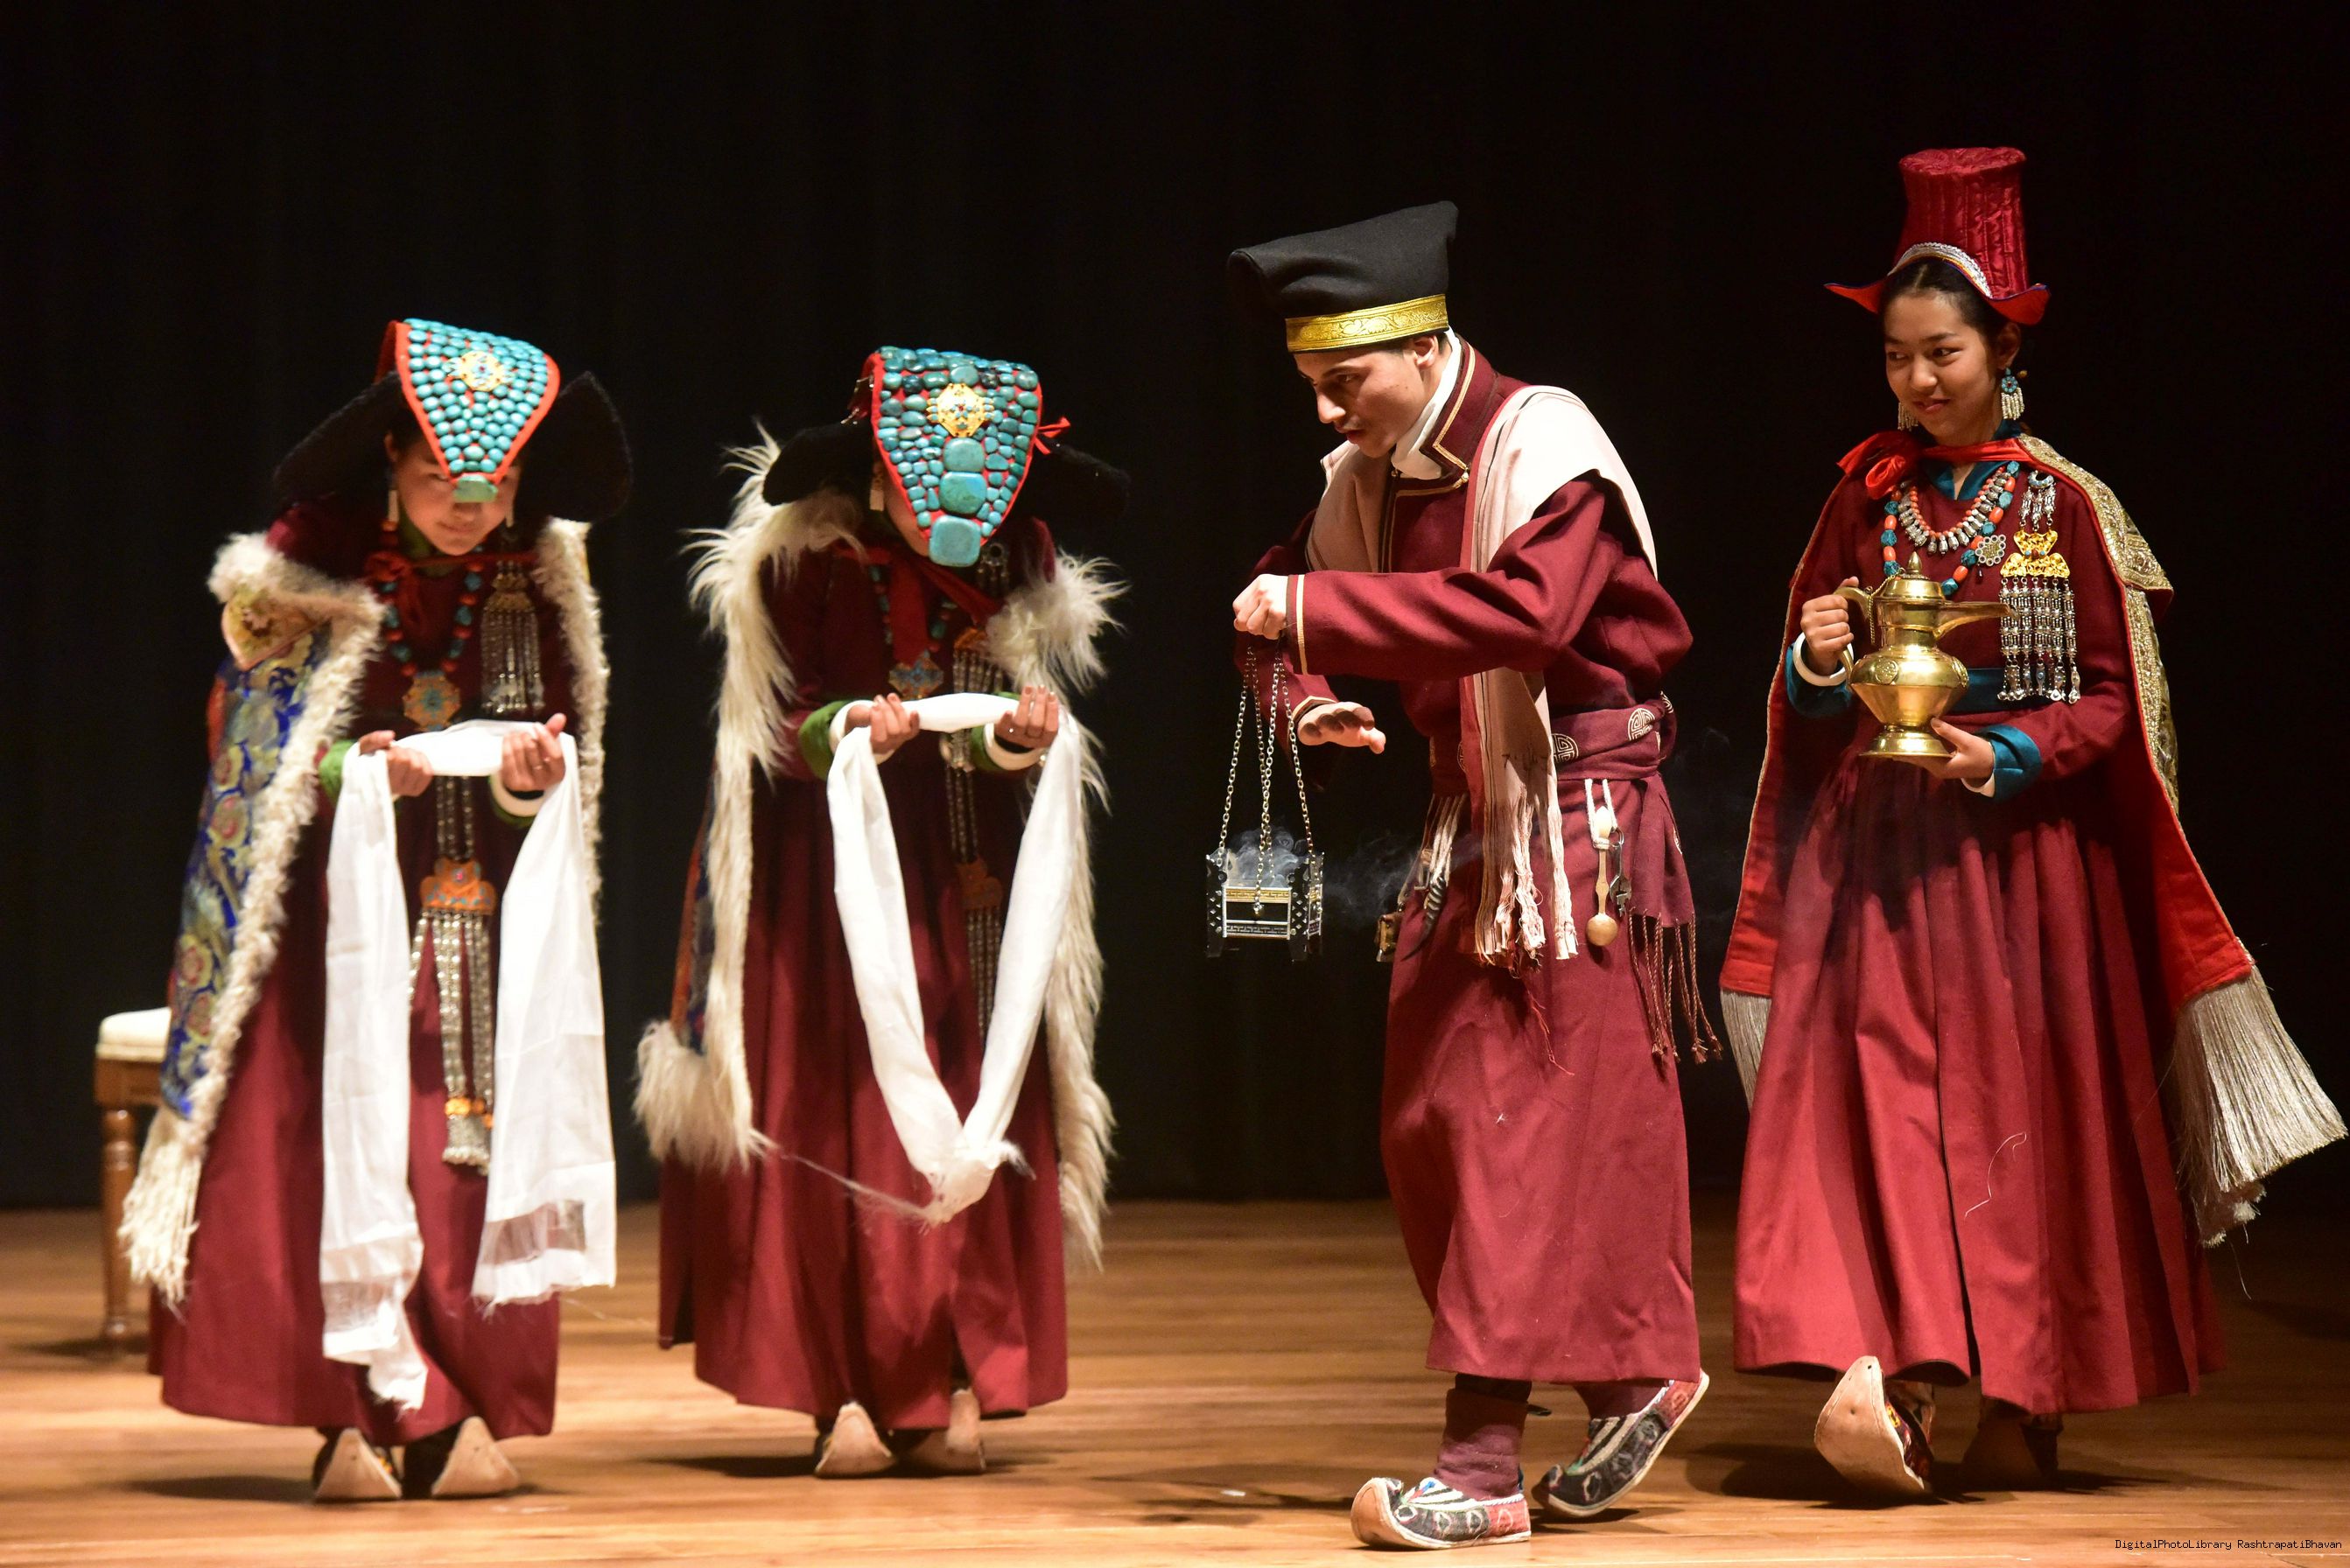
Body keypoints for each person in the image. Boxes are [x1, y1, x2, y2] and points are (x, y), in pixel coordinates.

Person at [1721, 147, 2343, 1498]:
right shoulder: (1861, 496)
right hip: (1879, 866)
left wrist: (1999, 752)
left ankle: (2024, 1391)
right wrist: (1818, 661)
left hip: (2021, 876)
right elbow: (1808, 695)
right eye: (1895, 357)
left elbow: (2110, 705)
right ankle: (1898, 1377)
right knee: (1880, 1115)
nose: (1915, 381)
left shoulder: (2064, 506)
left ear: (2003, 348)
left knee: (2022, 1127)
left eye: (1940, 353)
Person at [1226, 203, 1714, 1550]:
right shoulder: (1368, 479)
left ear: (1424, 345)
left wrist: (1310, 613)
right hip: (1473, 820)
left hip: (1574, 816)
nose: (1327, 414)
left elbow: (1526, 616)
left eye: (1344, 382)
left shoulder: (1546, 446)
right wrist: (1309, 694)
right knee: (1432, 1122)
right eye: (1310, 386)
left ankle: (1482, 1464)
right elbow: (1271, 607)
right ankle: (1627, 1375)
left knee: (1515, 1125)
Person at [126, 319, 632, 1500]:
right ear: (393, 458)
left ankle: (451, 1405)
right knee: (328, 1133)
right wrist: (353, 773)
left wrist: (531, 779)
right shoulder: (311, 562)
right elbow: (251, 751)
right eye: (442, 479)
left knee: (457, 1142)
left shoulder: (537, 571)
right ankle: (350, 1414)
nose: (468, 508)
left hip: (475, 904)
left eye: (495, 484)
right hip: (326, 915)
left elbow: (565, 737)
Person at [636, 346, 1127, 1477]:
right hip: (834, 881)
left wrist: (1019, 739)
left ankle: (954, 1372)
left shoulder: (1017, 562)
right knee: (841, 1111)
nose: (954, 517)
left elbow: (1002, 721)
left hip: (969, 879)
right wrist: (852, 729)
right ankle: (841, 1389)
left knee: (970, 1094)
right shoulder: (809, 563)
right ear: (875, 475)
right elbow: (773, 730)